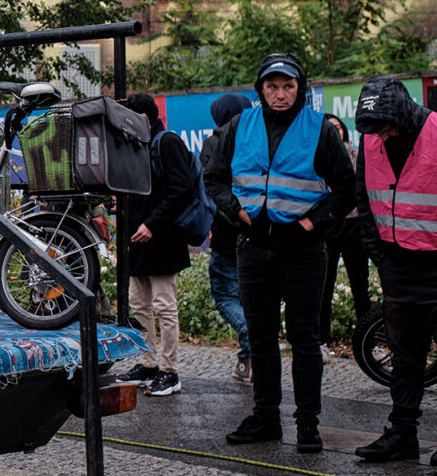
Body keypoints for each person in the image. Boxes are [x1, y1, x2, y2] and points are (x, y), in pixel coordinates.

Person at [204, 53, 354, 454]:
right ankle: (266, 417)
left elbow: (345, 188)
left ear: (300, 89)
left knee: (305, 339)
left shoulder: (320, 129)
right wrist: (234, 211)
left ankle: (307, 424)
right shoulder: (241, 125)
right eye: (272, 86)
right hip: (254, 245)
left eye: (288, 86)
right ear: (261, 90)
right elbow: (213, 175)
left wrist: (313, 223)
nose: (280, 94)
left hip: (303, 249)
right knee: (261, 337)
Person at [352, 76, 437, 473]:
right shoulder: (371, 138)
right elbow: (365, 200)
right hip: (398, 267)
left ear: (405, 112)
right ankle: (402, 435)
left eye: (387, 125)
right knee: (405, 359)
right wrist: (379, 256)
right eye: (375, 127)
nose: (382, 134)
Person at [115, 93, 197, 397]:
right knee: (139, 305)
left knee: (165, 306)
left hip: (162, 237)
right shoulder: (136, 145)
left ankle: (169, 371)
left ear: (145, 118)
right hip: (138, 239)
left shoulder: (167, 142)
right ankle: (148, 364)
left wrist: (152, 224)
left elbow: (183, 189)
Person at [203, 93, 252, 384]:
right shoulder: (258, 138)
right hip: (257, 229)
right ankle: (249, 360)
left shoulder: (216, 141)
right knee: (249, 296)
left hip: (227, 231)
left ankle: (252, 338)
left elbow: (212, 187)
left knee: (224, 295)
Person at [320, 113, 372, 347]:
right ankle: (321, 341)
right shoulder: (316, 156)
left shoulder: (357, 155)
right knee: (324, 287)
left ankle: (368, 340)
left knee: (360, 286)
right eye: (329, 127)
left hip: (354, 225)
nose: (335, 131)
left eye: (338, 127)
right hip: (328, 226)